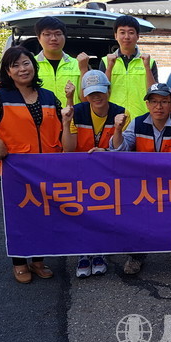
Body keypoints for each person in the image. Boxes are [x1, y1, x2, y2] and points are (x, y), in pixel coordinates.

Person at [0, 46, 63, 284]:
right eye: (15, 65)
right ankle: (19, 263)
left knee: (43, 215)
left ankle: (38, 261)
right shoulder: (0, 96)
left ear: (34, 66)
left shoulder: (48, 97)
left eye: (26, 63)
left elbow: (63, 126)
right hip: (16, 169)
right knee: (19, 217)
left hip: (47, 168)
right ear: (7, 71)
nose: (22, 69)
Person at [111, 83, 171, 273]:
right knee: (138, 217)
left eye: (164, 101)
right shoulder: (137, 124)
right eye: (154, 101)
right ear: (147, 104)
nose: (159, 106)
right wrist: (117, 130)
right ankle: (137, 255)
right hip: (144, 185)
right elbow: (119, 149)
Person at [61, 70, 126, 278]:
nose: (96, 97)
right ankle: (83, 253)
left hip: (107, 173)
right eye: (91, 93)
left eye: (100, 91)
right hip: (80, 172)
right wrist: (66, 123)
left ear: (108, 90)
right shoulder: (76, 112)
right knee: (81, 212)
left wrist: (111, 140)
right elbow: (68, 149)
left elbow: (122, 148)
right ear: (85, 94)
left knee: (102, 212)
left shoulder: (121, 113)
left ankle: (99, 252)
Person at [101, 15, 158, 120]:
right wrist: (109, 67)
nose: (126, 37)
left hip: (142, 119)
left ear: (137, 36)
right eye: (122, 32)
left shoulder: (149, 62)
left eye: (131, 32)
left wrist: (147, 67)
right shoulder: (105, 61)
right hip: (113, 119)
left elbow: (154, 93)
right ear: (115, 35)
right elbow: (102, 92)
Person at [33, 16, 89, 105]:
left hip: (73, 114)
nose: (53, 38)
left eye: (58, 34)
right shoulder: (31, 65)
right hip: (41, 114)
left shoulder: (78, 64)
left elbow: (86, 100)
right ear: (38, 38)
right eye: (47, 34)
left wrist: (84, 70)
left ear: (64, 37)